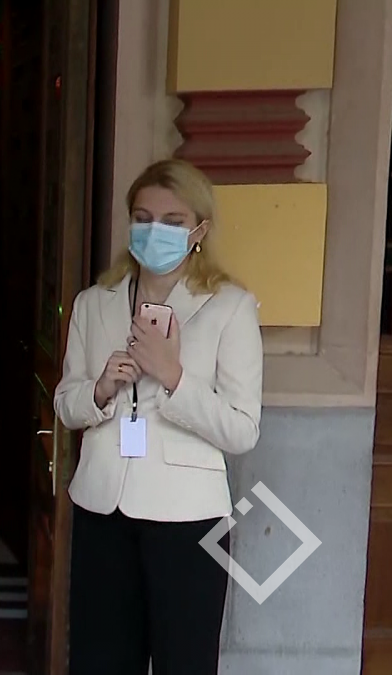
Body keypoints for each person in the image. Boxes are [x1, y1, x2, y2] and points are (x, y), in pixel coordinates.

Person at [53, 158, 263, 675]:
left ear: (199, 231)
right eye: (143, 218)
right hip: (102, 508)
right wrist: (100, 390)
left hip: (187, 517)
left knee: (184, 661)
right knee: (99, 661)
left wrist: (174, 378)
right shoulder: (94, 303)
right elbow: (65, 404)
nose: (154, 232)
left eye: (172, 221)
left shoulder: (229, 306)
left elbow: (242, 429)